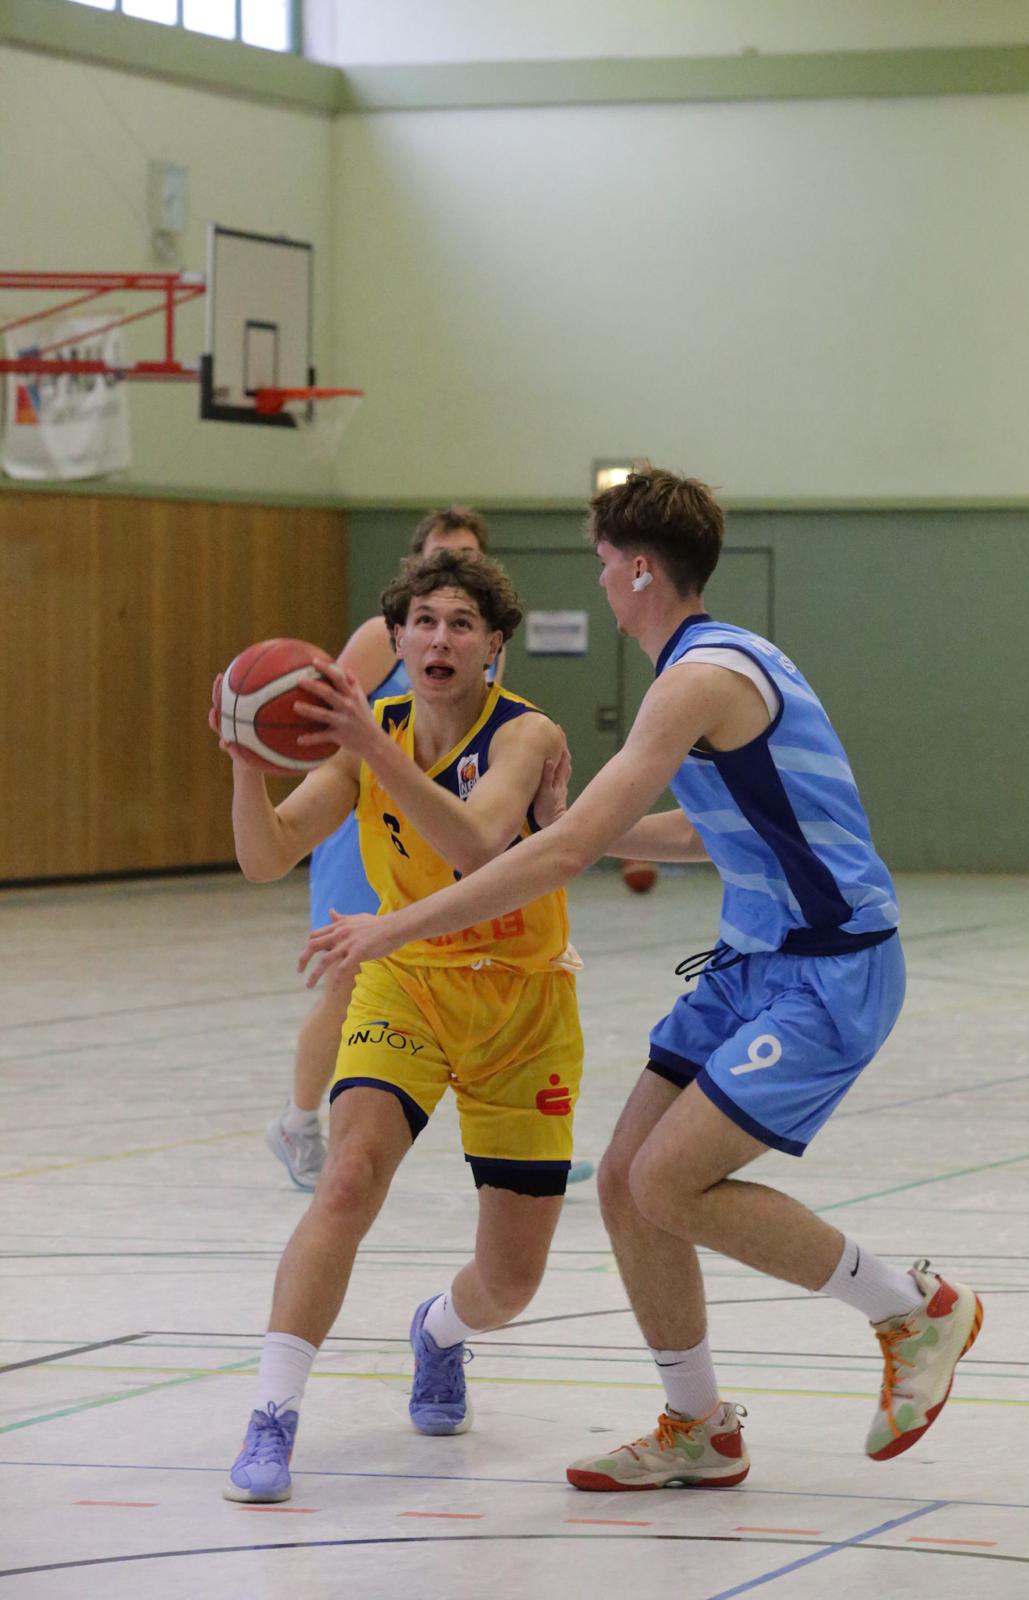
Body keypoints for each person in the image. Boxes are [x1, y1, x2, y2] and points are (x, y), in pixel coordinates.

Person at [300, 465, 983, 1490]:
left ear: (635, 570)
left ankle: (912, 1307)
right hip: (755, 959)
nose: (601, 582)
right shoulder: (714, 668)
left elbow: (564, 854)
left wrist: (400, 923)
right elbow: (704, 833)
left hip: (828, 969)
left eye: (602, 564)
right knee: (624, 1184)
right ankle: (699, 1424)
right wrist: (568, 827)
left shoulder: (698, 677)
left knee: (668, 1178)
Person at [214, 547, 582, 1504]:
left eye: (461, 623)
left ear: (493, 646)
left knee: (510, 1285)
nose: (439, 639)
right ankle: (272, 1416)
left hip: (523, 1007)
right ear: (400, 639)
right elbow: (268, 857)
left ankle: (441, 1333)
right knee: (346, 1178)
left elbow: (472, 839)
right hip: (407, 983)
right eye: (423, 622)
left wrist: (375, 752)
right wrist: (248, 765)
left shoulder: (525, 736)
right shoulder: (366, 734)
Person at [266, 507, 499, 1191]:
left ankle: (514, 1129)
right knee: (349, 985)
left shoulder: (481, 639)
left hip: (432, 834)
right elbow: (317, 717)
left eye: (469, 553)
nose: (457, 562)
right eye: (442, 552)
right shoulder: (382, 635)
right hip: (364, 828)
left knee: (465, 979)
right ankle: (298, 1122)